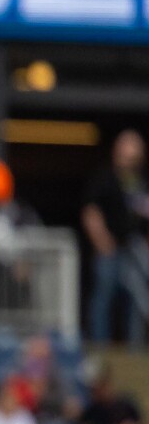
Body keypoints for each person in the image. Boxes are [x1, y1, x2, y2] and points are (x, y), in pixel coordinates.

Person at [82, 128, 149, 342]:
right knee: (104, 296)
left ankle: (134, 346)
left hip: (134, 249)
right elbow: (91, 212)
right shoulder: (105, 178)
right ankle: (100, 344)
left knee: (136, 298)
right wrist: (102, 241)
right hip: (110, 249)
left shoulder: (140, 181)